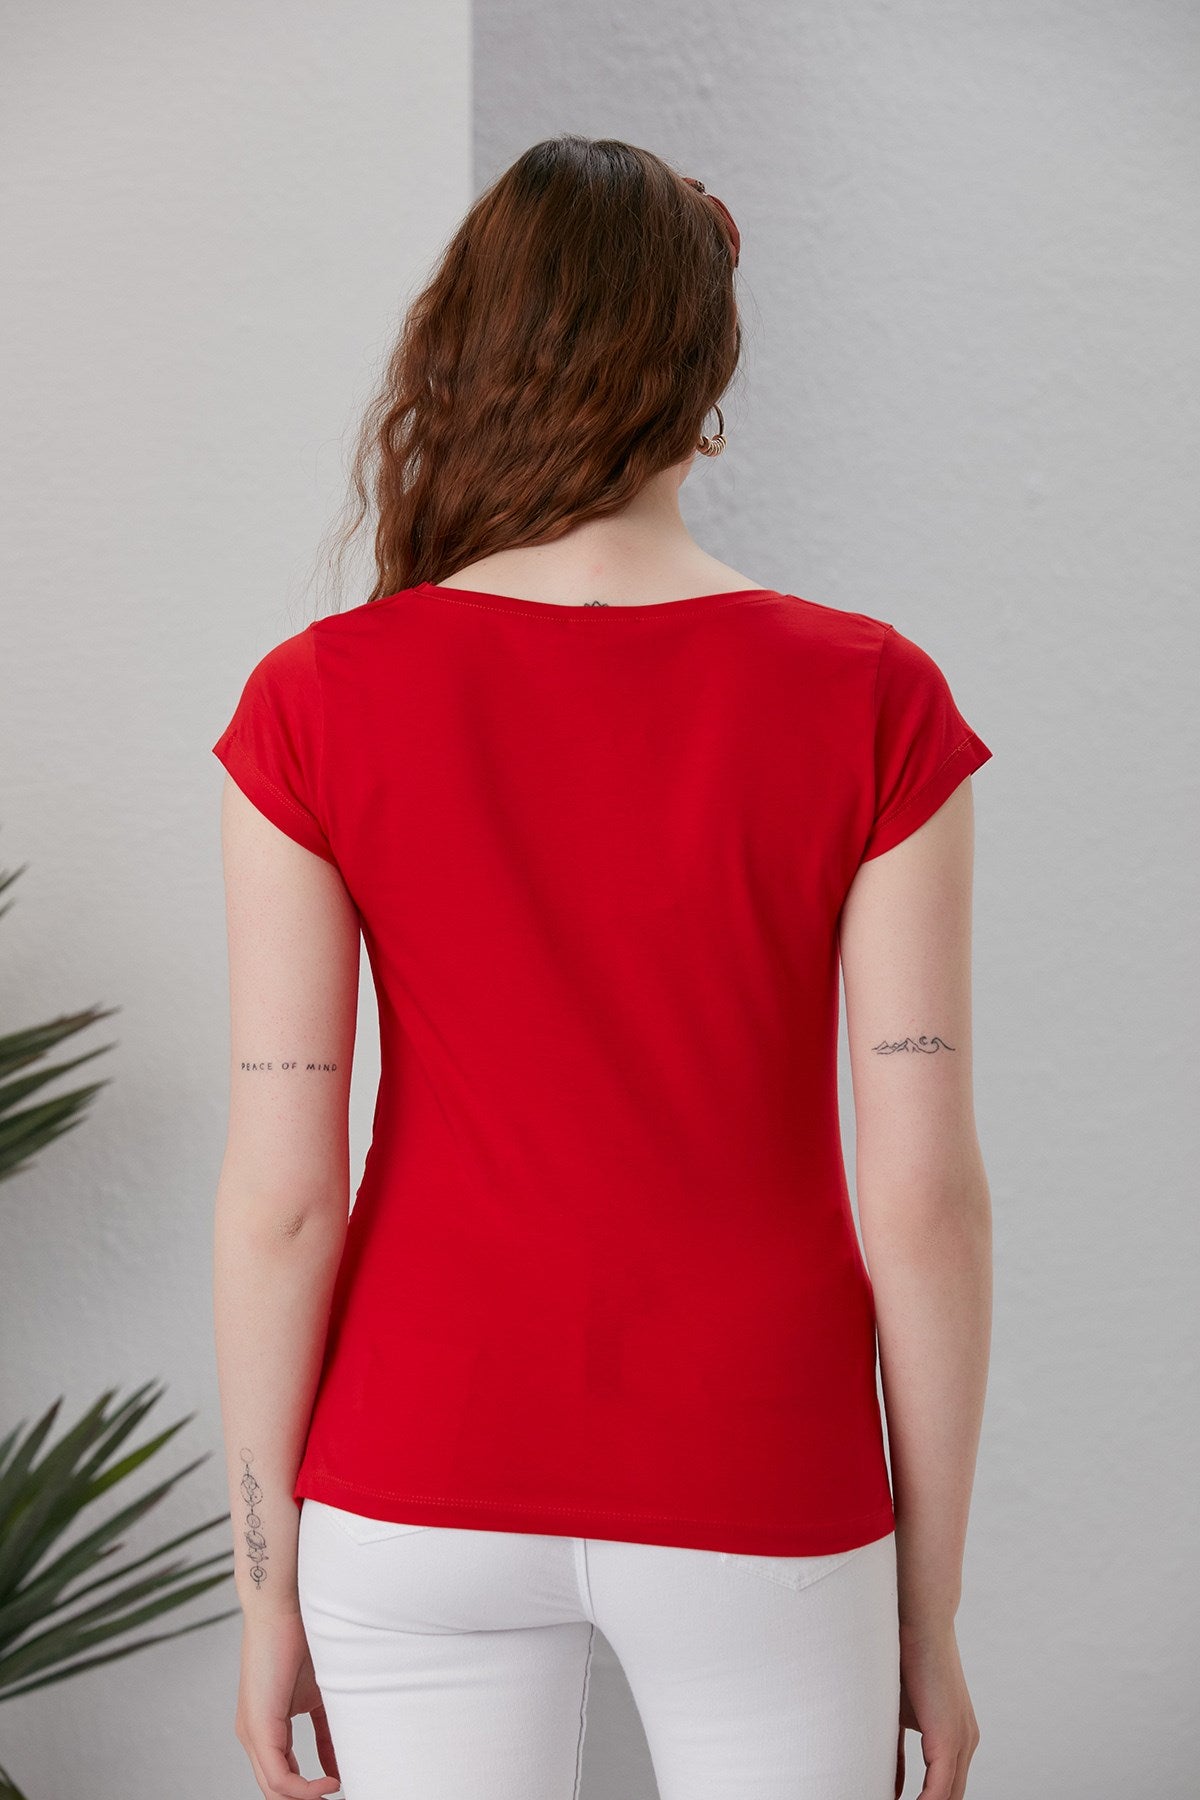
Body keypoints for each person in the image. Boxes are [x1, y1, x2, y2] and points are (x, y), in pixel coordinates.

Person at [211, 134, 993, 1800]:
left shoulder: (314, 701)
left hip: (416, 1469)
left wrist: (267, 1585)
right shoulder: (872, 700)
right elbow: (922, 1196)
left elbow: (283, 1196)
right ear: (707, 381)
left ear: (466, 346)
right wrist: (926, 1609)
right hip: (760, 1471)